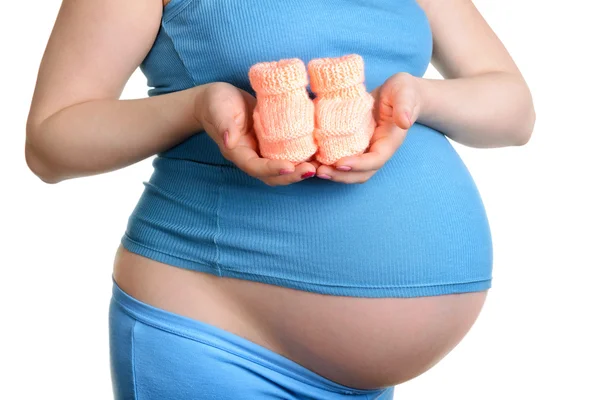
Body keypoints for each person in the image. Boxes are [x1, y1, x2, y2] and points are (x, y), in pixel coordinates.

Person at [25, 0, 535, 398]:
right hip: (216, 337)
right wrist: (197, 107)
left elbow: (514, 113)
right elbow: (51, 144)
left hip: (363, 381)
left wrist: (417, 97)